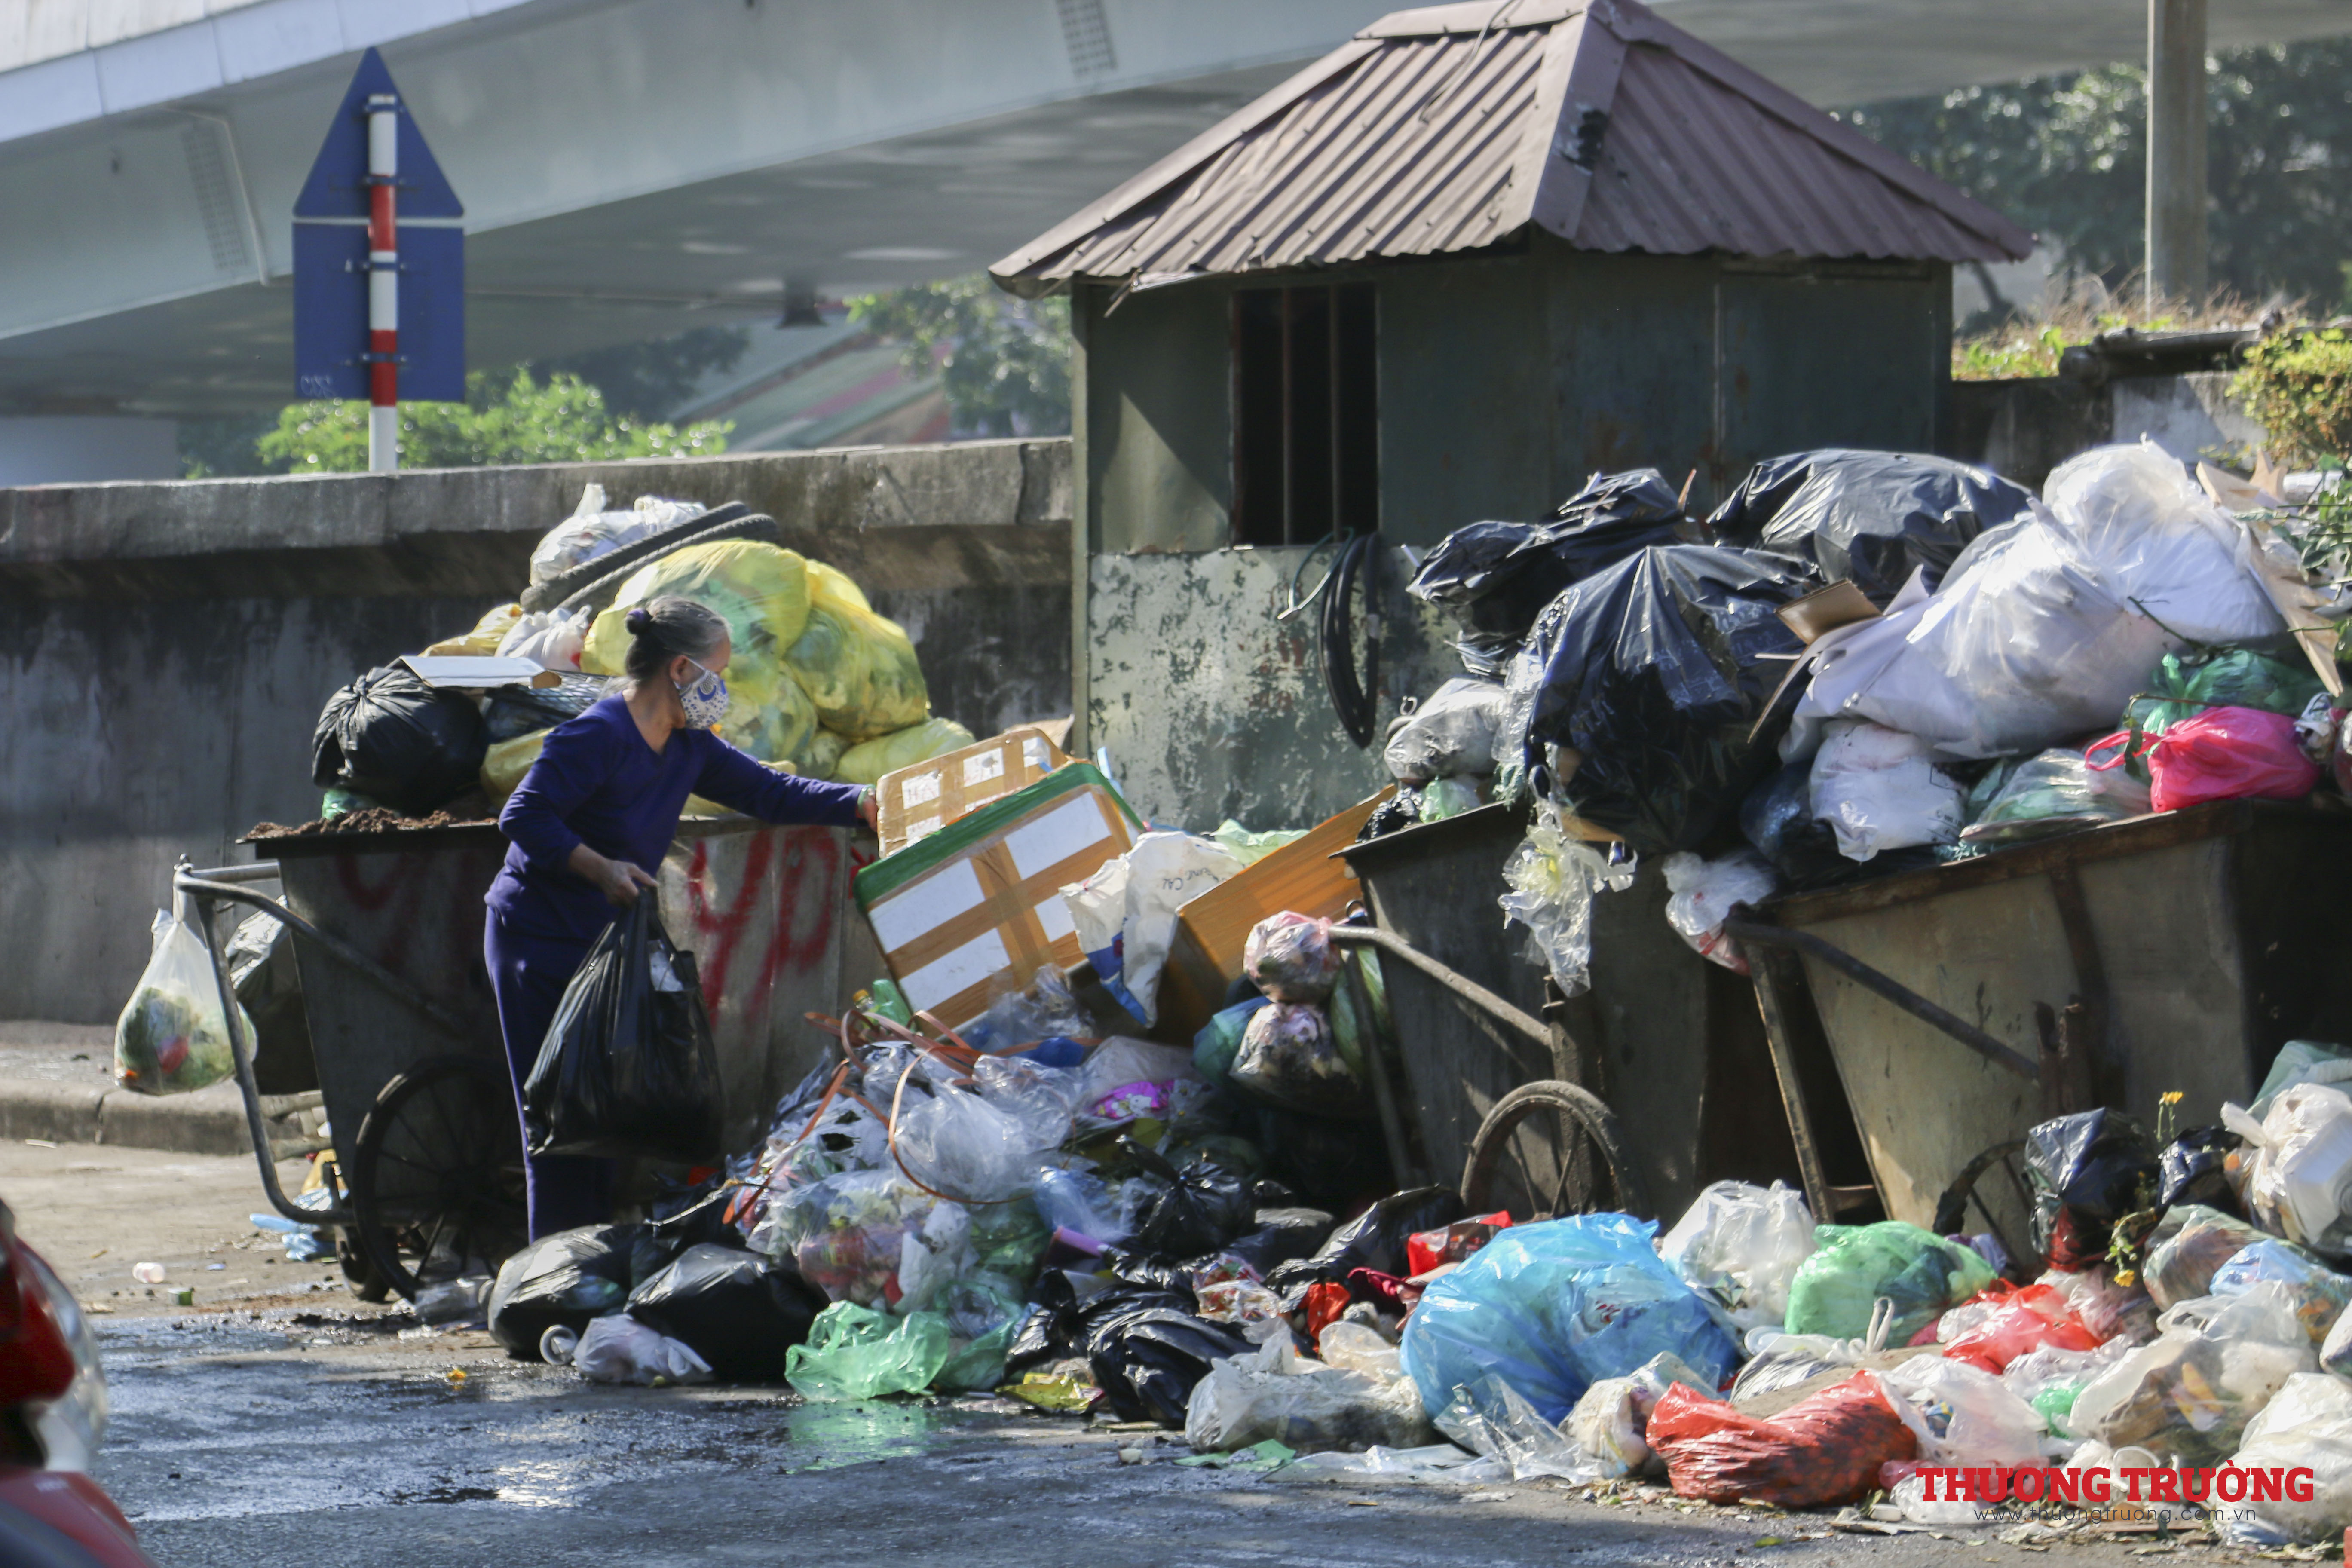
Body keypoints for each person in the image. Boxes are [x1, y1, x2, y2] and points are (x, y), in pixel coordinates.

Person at [485, 596, 873, 1237]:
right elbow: (523, 815)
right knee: (559, 1122)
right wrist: (599, 868)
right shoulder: (599, 735)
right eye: (720, 672)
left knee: (608, 1116)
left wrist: (862, 802)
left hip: (608, 945)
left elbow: (769, 792)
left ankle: (590, 1263)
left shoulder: (690, 745)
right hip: (540, 938)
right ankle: (550, 1274)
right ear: (681, 670)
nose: (725, 687)